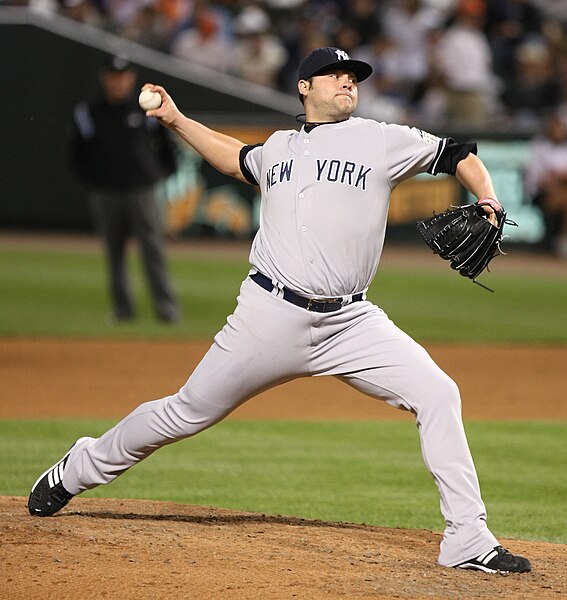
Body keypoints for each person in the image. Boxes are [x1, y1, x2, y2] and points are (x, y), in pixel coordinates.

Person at [30, 46, 531, 574]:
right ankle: (79, 467)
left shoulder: (382, 139)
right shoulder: (279, 148)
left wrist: (489, 200)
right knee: (185, 412)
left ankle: (467, 539)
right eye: (332, 75)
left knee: (438, 393)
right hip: (268, 315)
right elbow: (234, 157)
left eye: (351, 76)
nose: (345, 82)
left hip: (350, 322)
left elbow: (460, 156)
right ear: (303, 87)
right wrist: (176, 118)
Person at [69, 55, 181, 323]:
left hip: (142, 190)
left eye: (123, 76)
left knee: (152, 249)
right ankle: (123, 310)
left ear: (130, 79)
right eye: (113, 76)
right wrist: (93, 180)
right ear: (104, 78)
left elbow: (167, 147)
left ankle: (166, 309)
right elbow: (76, 153)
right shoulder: (89, 112)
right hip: (106, 192)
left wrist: (162, 173)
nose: (118, 82)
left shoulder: (146, 111)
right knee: (114, 252)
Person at [524, 112, 567, 258]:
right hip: (540, 194)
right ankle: (563, 242)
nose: (557, 130)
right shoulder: (539, 147)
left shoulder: (564, 148)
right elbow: (537, 179)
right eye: (554, 127)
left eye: (560, 127)